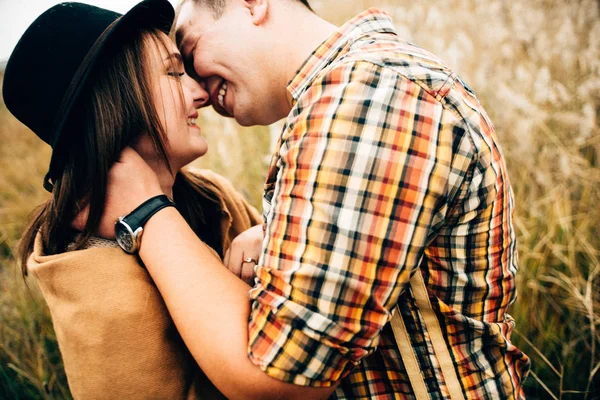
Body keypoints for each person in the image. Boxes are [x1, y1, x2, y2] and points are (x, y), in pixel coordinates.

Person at [93, 0, 532, 399]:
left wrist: (146, 209)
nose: (200, 92)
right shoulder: (355, 94)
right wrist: (279, 239)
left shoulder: (367, 94)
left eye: (190, 53)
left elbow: (280, 379)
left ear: (252, 4)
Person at [2, 1, 261, 399]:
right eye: (174, 73)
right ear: (110, 103)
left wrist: (272, 239)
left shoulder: (210, 196)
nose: (200, 91)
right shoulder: (95, 286)